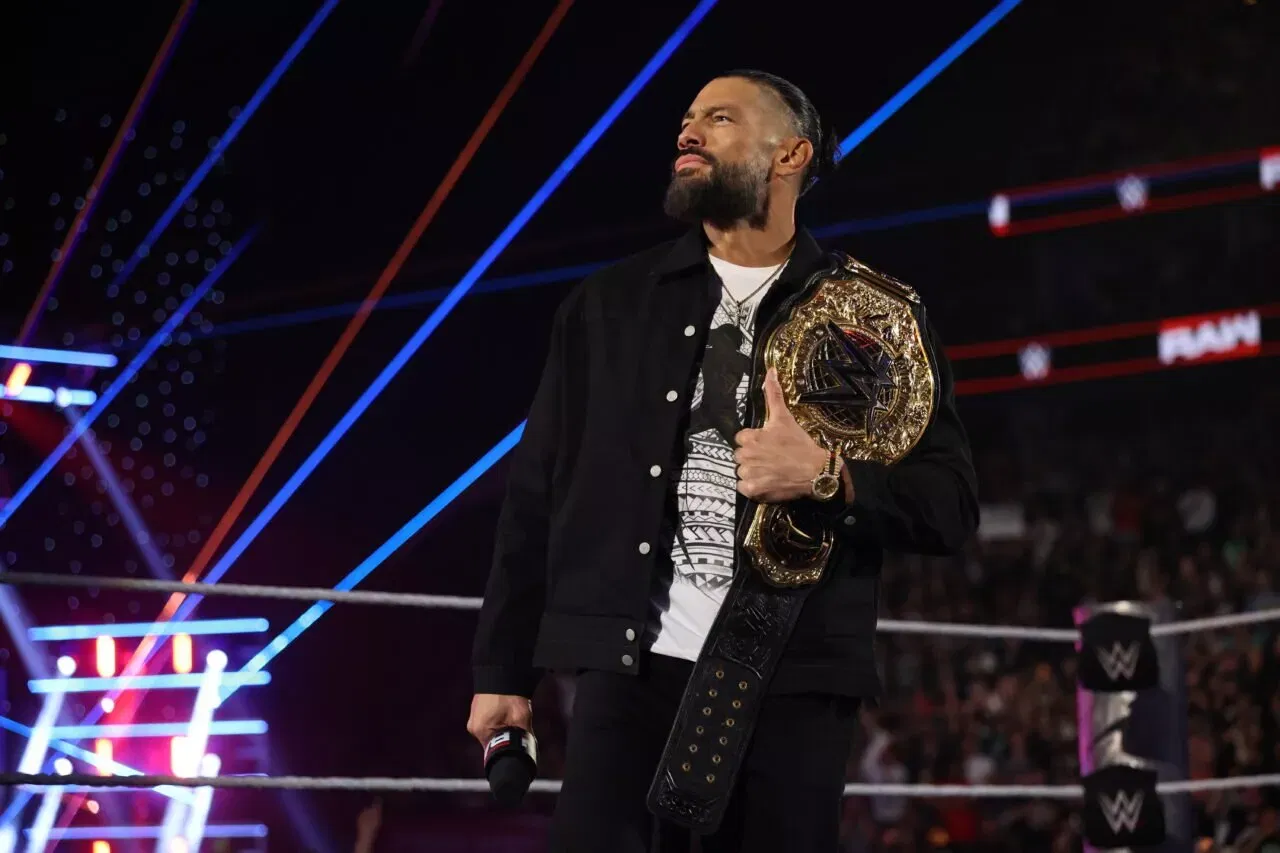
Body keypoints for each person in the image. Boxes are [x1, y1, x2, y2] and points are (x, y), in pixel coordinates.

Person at [467, 69, 978, 852]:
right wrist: (502, 671)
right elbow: (536, 495)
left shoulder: (873, 321)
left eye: (721, 117)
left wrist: (827, 478)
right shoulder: (607, 307)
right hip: (628, 679)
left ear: (790, 155)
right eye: (686, 119)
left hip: (793, 687)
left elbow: (950, 504)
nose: (689, 132)